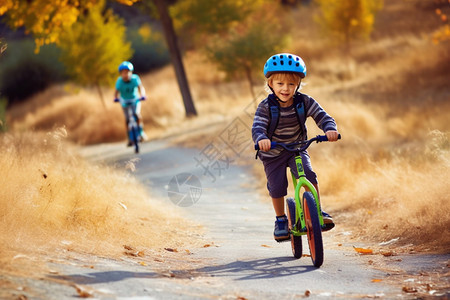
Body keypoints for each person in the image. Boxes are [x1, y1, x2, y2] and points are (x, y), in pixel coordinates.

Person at [252, 53, 339, 242]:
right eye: (280, 84)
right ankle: (281, 219)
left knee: (308, 173)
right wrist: (261, 139)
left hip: (297, 148)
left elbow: (323, 117)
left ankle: (316, 209)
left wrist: (330, 129)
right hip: (273, 152)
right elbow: (258, 126)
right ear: (270, 84)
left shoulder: (304, 102)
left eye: (291, 84)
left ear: (298, 85)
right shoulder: (266, 106)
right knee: (277, 186)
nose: (285, 89)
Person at [114, 61, 147, 146]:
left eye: (128, 72)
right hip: (124, 100)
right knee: (127, 119)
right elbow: (116, 92)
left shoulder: (135, 78)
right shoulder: (119, 81)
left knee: (137, 114)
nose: (126, 74)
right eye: (124, 73)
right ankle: (129, 138)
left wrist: (142, 95)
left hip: (134, 99)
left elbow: (141, 88)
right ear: (121, 74)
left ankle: (141, 133)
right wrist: (115, 98)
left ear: (131, 72)